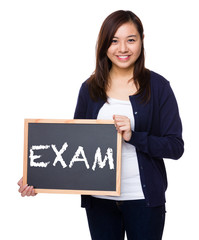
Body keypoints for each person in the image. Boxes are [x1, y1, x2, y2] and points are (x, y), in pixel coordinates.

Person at [18, 10, 184, 240]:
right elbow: (72, 146)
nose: (123, 48)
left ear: (142, 41)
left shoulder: (158, 87)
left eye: (131, 40)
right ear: (104, 44)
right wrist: (38, 177)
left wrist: (134, 136)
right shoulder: (90, 88)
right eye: (114, 40)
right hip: (99, 203)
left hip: (144, 201)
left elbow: (175, 147)